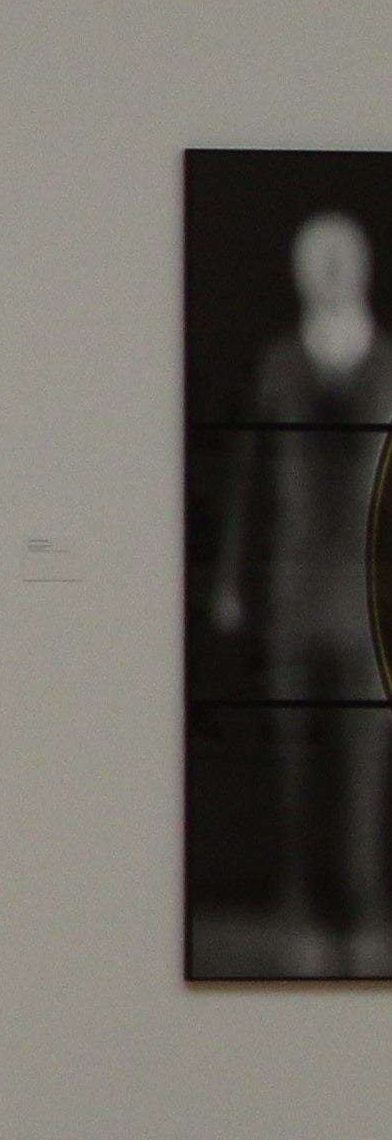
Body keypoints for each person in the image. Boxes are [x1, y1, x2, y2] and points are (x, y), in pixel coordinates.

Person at [210, 212, 392, 975]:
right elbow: (248, 474)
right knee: (290, 752)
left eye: (338, 262)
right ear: (296, 275)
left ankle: (361, 901)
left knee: (364, 754)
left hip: (369, 593)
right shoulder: (278, 362)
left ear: (361, 270)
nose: (327, 275)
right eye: (313, 263)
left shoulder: (387, 361)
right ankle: (296, 901)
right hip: (289, 584)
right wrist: (227, 577)